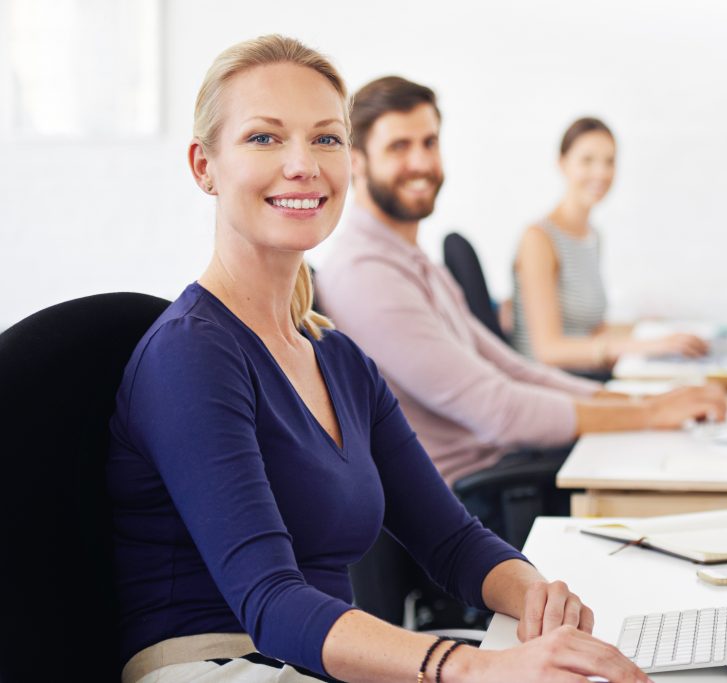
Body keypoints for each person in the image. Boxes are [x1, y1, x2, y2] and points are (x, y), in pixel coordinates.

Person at [107, 35, 654, 683]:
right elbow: (272, 603)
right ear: (204, 166)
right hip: (223, 665)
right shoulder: (191, 354)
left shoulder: (337, 358)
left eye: (326, 138)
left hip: (313, 659)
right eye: (264, 138)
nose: (303, 164)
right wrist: (471, 667)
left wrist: (537, 596)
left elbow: (451, 540)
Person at [315, 79, 727, 494]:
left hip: (505, 463)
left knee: (683, 458)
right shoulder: (366, 274)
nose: (421, 162)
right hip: (471, 496)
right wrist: (649, 414)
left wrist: (639, 404)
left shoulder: (413, 262)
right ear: (356, 161)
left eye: (430, 143)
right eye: (399, 147)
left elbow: (512, 368)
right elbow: (498, 410)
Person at [511, 117, 708, 374]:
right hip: (547, 384)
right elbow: (548, 350)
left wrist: (654, 335)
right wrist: (647, 346)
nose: (601, 173)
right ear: (562, 164)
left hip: (587, 375)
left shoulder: (592, 236)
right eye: (587, 160)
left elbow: (594, 331)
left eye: (609, 162)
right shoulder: (538, 239)